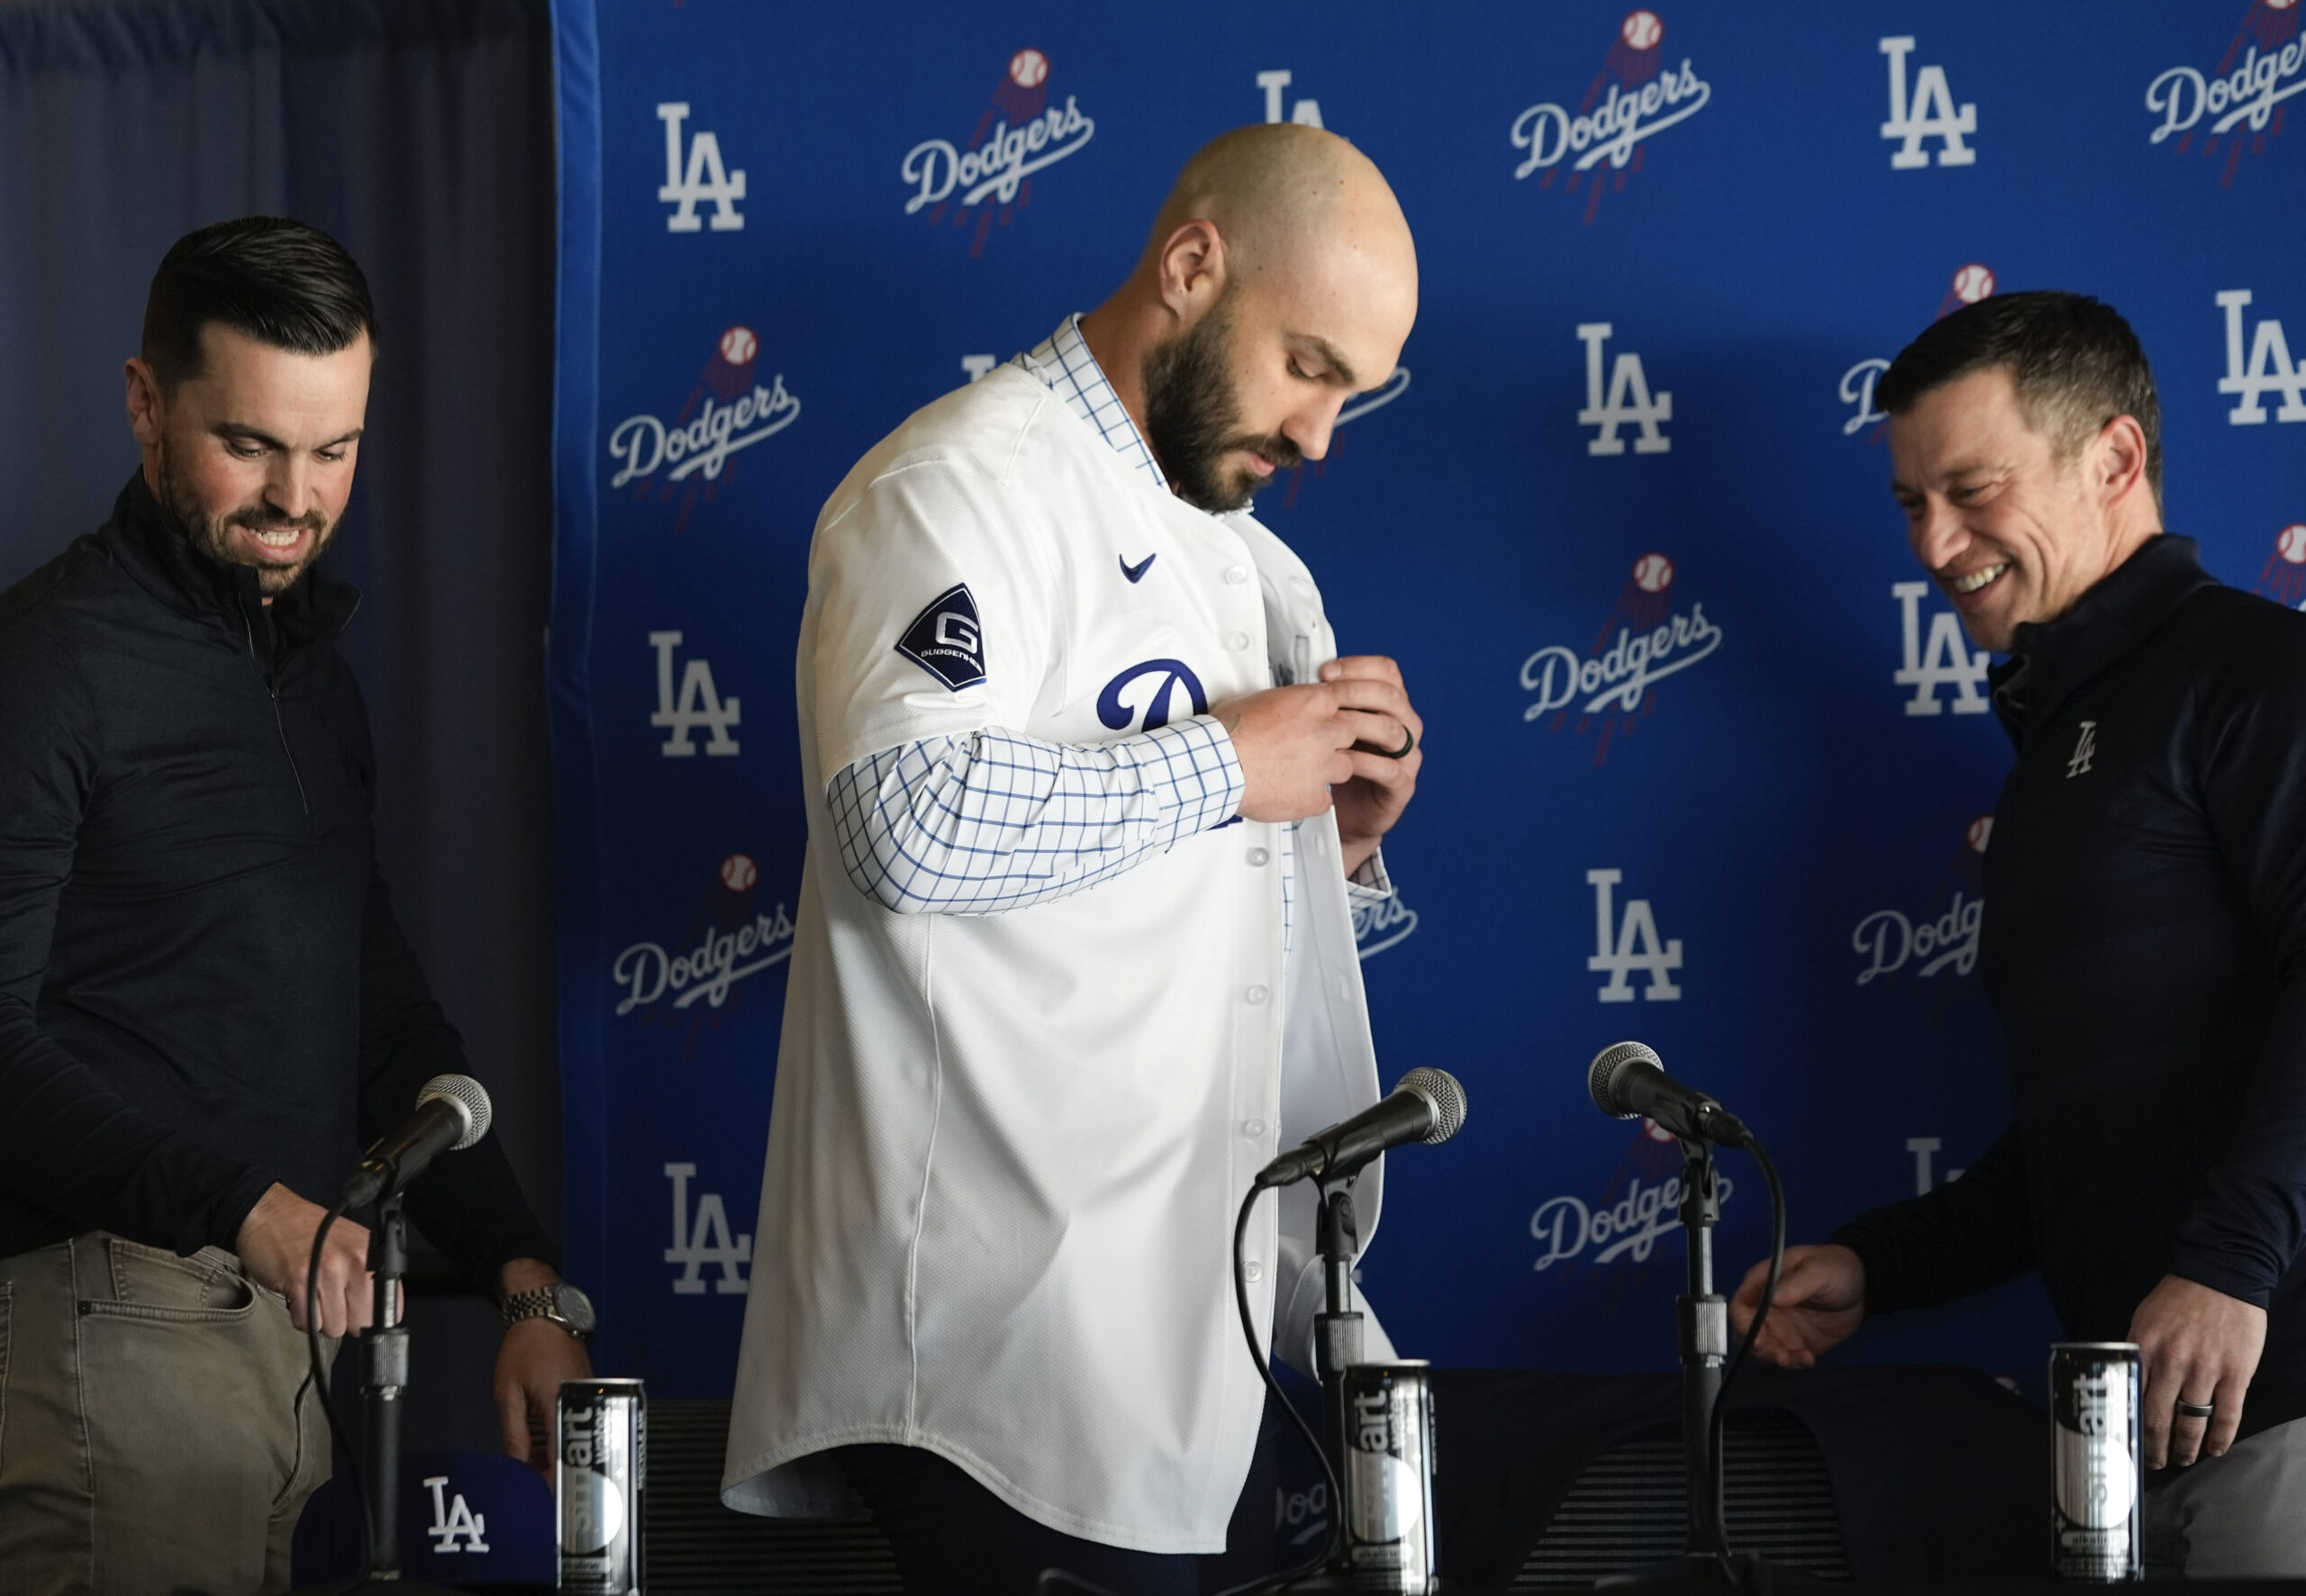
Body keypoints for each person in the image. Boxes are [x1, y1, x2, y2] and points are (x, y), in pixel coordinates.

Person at [721, 123, 1423, 1591]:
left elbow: (1185, 894)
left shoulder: (1252, 556)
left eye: (1351, 392)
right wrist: (1237, 761)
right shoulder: (957, 484)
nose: (1320, 438)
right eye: (1307, 367)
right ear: (1189, 267)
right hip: (992, 1351)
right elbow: (898, 824)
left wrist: (1332, 841)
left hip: (1191, 1337)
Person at [0, 216, 595, 1595]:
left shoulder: (306, 677)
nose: (297, 497)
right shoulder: (47, 667)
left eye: (335, 451)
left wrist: (521, 1278)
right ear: (146, 403)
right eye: (251, 445)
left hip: (275, 1365)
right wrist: (259, 1210)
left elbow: (376, 1008)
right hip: (106, 1334)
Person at [1729, 291, 2306, 1577]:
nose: (1936, 543)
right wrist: (1880, 1266)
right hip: (2141, 1445)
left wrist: (2230, 1265)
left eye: (1973, 489)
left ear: (2113, 460)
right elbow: (2087, 1137)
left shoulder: (2259, 672)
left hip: (2284, 1420)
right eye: (1910, 505)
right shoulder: (2049, 761)